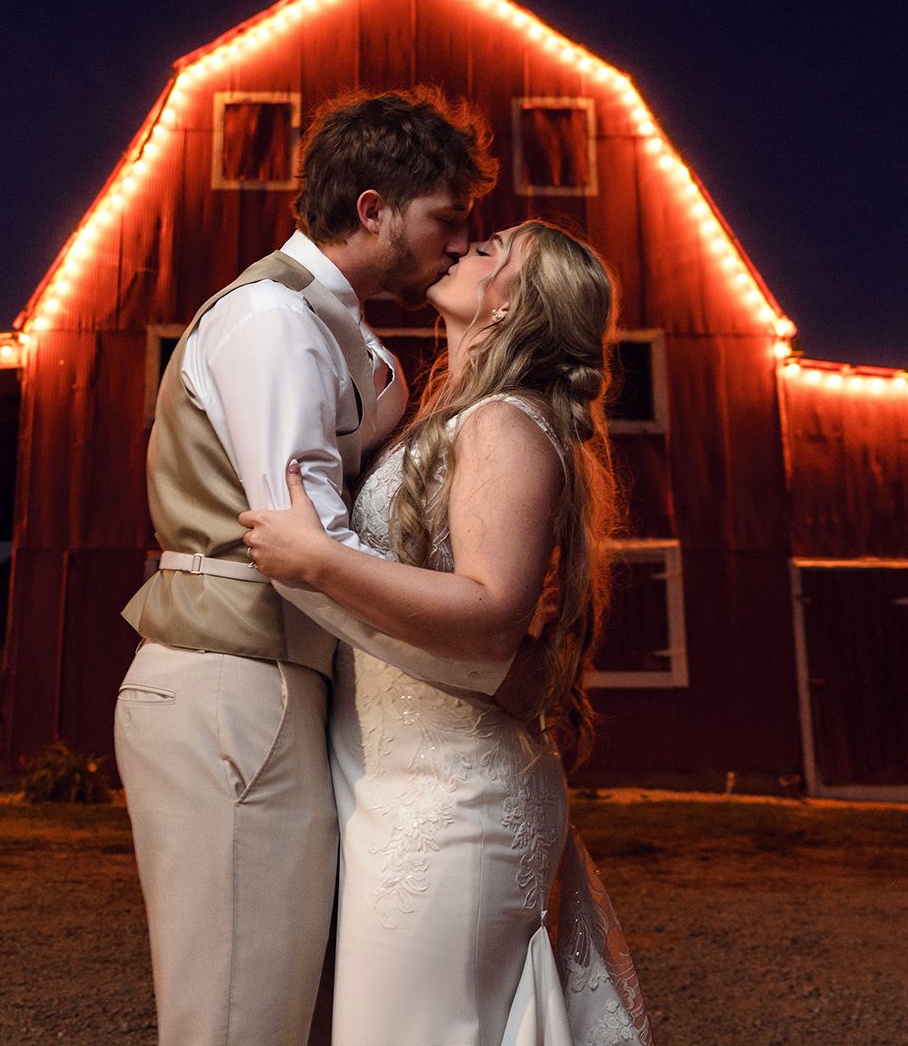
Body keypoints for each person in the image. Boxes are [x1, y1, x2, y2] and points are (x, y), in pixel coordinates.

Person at [115, 86, 511, 1046]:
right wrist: (476, 670)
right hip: (232, 685)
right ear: (372, 209)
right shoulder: (271, 324)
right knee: (237, 1022)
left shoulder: (357, 343)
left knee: (276, 1011)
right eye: (445, 220)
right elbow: (304, 552)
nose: (460, 244)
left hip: (286, 687)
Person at [241, 219, 654, 1045]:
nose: (466, 248)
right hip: (399, 784)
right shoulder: (455, 420)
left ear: (515, 309)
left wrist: (318, 561)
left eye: (492, 251)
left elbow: (493, 611)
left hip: (453, 804)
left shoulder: (504, 423)